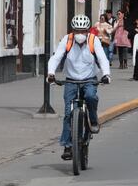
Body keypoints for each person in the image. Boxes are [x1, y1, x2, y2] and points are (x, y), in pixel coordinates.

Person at [47, 15, 112, 161]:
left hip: (89, 79)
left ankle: (94, 121)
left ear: (88, 31)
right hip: (71, 80)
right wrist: (50, 73)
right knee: (68, 114)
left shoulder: (93, 40)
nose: (80, 35)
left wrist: (106, 74)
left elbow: (102, 58)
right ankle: (68, 146)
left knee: (90, 96)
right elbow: (56, 57)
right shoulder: (67, 39)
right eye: (77, 31)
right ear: (73, 31)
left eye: (83, 31)